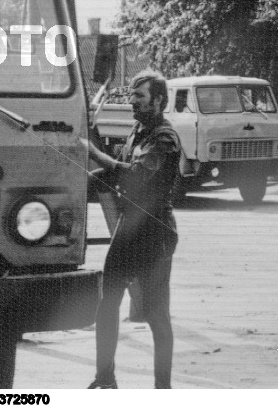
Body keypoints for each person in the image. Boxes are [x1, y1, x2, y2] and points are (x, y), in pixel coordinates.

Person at [81, 70, 181, 389]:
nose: (133, 103)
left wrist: (96, 154)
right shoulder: (138, 130)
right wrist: (79, 181)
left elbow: (137, 175)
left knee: (156, 315)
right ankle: (104, 377)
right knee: (108, 303)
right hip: (129, 230)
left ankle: (162, 390)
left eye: (140, 97)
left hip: (154, 234)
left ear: (160, 101)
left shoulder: (165, 137)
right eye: (132, 96)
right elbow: (117, 175)